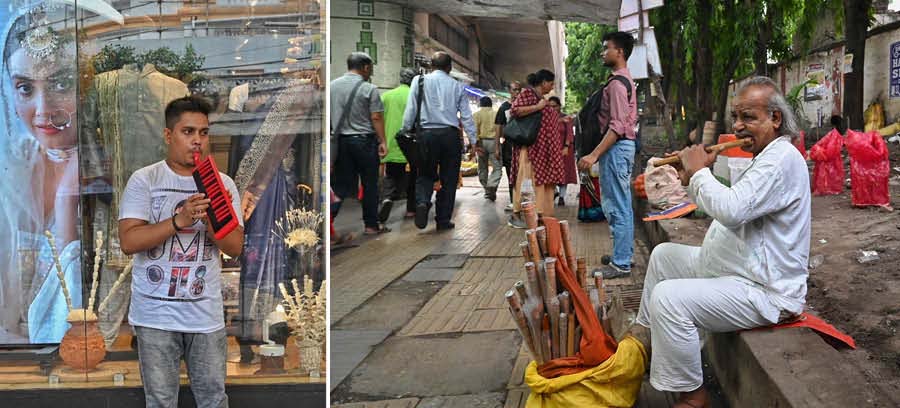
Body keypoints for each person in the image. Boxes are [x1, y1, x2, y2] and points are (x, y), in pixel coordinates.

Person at [635, 77, 810, 408]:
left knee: (669, 299)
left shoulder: (782, 158)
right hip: (737, 271)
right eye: (736, 117)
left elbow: (731, 210)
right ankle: (642, 346)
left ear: (775, 119)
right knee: (663, 256)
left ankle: (692, 396)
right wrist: (689, 174)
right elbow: (727, 202)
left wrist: (700, 173)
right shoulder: (764, 155)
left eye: (749, 118)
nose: (739, 126)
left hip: (767, 292)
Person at [118, 96, 244, 408]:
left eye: (203, 132)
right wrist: (180, 220)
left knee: (214, 400)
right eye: (188, 132)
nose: (197, 141)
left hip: (205, 315)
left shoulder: (222, 183)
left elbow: (235, 248)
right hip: (155, 316)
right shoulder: (145, 179)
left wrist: (214, 216)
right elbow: (129, 241)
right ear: (168, 135)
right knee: (160, 401)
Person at [0, 1, 83, 343]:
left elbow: (77, 318)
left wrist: (66, 203)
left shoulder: (110, 172)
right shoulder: (10, 170)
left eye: (61, 84)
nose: (43, 109)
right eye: (25, 88)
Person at [577, 31, 638, 279]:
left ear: (619, 52)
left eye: (606, 48)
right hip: (620, 148)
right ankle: (624, 254)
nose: (603, 52)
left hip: (616, 148)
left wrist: (593, 155)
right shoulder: (624, 80)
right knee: (622, 204)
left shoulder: (616, 84)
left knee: (616, 206)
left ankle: (621, 263)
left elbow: (617, 126)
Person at [401, 52, 477, 231]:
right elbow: (466, 116)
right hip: (450, 136)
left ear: (431, 66)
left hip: (426, 135)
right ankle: (443, 220)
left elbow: (411, 109)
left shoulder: (418, 81)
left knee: (425, 173)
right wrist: (474, 140)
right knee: (449, 179)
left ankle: (422, 202)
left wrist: (405, 130)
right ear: (449, 68)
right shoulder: (457, 86)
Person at [331, 52, 389, 235]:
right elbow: (376, 116)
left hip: (341, 142)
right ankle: (371, 225)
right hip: (365, 142)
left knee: (340, 186)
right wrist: (383, 141)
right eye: (370, 68)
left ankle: (328, 225)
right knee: (369, 184)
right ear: (365, 67)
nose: (371, 72)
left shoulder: (332, 86)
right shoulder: (369, 89)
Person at [508, 69, 563, 227]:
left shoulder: (540, 98)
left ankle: (539, 214)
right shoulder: (527, 94)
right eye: (551, 83)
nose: (552, 87)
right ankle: (516, 215)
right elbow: (515, 110)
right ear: (544, 82)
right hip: (530, 149)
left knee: (540, 183)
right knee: (525, 181)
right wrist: (538, 107)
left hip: (542, 150)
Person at [380, 68, 418, 221]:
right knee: (413, 177)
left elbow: (378, 118)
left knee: (390, 175)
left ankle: (387, 198)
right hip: (410, 143)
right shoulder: (415, 96)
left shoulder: (386, 96)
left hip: (391, 142)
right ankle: (411, 210)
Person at [495, 81, 522, 211]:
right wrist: (496, 147)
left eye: (518, 90)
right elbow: (498, 127)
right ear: (509, 91)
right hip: (508, 147)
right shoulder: (504, 107)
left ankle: (521, 201)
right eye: (514, 90)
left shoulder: (525, 106)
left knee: (522, 175)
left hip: (522, 145)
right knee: (510, 174)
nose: (517, 92)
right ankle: (513, 201)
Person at [547, 96, 577, 206]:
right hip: (550, 150)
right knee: (551, 173)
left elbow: (569, 133)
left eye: (554, 106)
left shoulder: (565, 118)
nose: (552, 109)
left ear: (559, 106)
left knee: (564, 173)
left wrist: (566, 147)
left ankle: (561, 196)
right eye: (550, 106)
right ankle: (554, 192)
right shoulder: (547, 118)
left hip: (564, 150)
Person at [474, 96, 501, 200]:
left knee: (482, 167)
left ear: (480, 104)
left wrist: (476, 145)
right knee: (497, 167)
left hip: (481, 142)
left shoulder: (476, 115)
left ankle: (487, 189)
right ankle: (492, 186)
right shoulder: (496, 114)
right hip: (494, 142)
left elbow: (474, 130)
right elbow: (500, 129)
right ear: (491, 104)